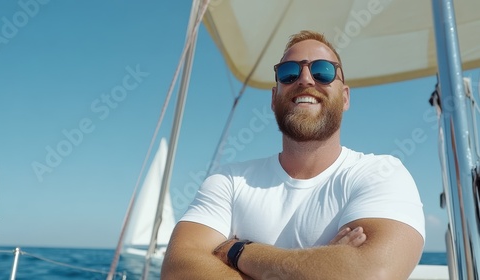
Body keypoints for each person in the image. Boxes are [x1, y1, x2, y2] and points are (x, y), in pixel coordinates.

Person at [161, 30, 425, 279]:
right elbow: (176, 271)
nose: (305, 79)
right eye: (289, 73)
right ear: (274, 98)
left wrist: (239, 251)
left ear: (345, 97)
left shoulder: (381, 173)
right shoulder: (229, 181)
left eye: (323, 71)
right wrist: (323, 267)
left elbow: (371, 274)